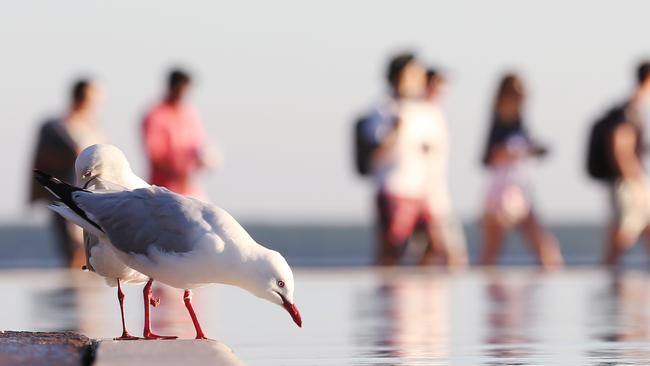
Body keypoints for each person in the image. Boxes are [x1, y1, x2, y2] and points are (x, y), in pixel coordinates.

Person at [363, 53, 464, 267]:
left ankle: (420, 296)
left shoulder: (425, 111)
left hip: (422, 193)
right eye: (415, 74)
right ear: (400, 76)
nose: (420, 79)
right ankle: (388, 297)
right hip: (394, 190)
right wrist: (395, 133)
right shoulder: (383, 109)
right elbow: (374, 155)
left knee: (436, 247)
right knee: (391, 249)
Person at [480, 73, 563, 269]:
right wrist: (519, 151)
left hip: (520, 189)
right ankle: (488, 294)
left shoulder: (519, 122)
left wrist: (533, 150)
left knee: (544, 248)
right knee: (492, 249)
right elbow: (488, 156)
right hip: (502, 192)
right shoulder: (500, 122)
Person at [29, 78, 106, 268]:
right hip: (65, 193)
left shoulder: (93, 128)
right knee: (73, 248)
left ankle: (85, 292)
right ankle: (73, 293)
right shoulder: (56, 127)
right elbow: (42, 159)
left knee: (94, 250)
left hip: (93, 197)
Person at [600, 62, 650, 266]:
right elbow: (621, 146)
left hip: (639, 179)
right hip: (633, 181)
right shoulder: (633, 107)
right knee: (625, 232)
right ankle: (606, 273)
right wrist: (633, 178)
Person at [419, 68, 468, 266]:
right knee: (451, 254)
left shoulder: (436, 115)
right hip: (425, 198)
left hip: (438, 195)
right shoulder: (419, 115)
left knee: (431, 253)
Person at [142, 68, 211, 197]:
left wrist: (203, 160)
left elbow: (198, 146)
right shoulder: (155, 115)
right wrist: (178, 171)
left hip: (190, 188)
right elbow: (156, 155)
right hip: (163, 190)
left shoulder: (189, 114)